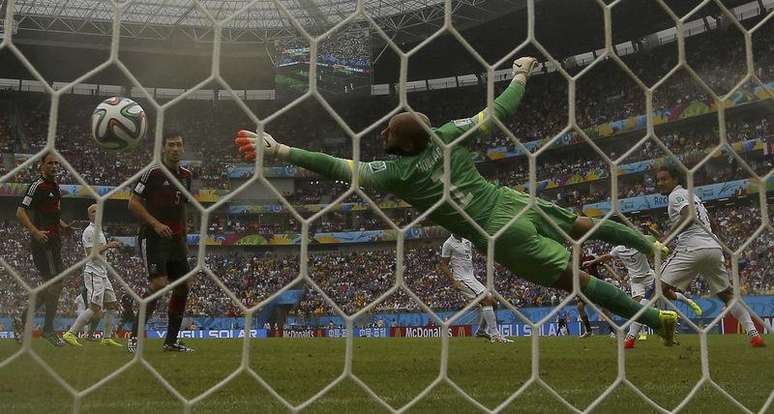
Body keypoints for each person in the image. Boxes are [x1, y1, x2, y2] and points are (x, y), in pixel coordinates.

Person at [235, 57, 678, 345]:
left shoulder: (395, 172)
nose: (383, 134)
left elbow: (335, 166)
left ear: (401, 144)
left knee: (576, 284)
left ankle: (655, 320)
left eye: (388, 131)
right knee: (581, 224)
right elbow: (499, 111)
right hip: (511, 201)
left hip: (500, 234)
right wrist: (520, 74)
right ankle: (648, 244)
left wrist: (281, 151)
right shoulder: (447, 136)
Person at [655, 166, 766, 347]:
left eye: (664, 179)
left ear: (675, 179)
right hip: (712, 248)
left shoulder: (676, 196)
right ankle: (754, 334)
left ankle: (654, 332)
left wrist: (665, 239)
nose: (660, 183)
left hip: (691, 248)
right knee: (726, 294)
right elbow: (713, 224)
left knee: (655, 287)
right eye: (658, 180)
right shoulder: (694, 196)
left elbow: (688, 216)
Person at [127, 130, 194, 353]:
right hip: (153, 236)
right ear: (163, 148)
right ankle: (135, 336)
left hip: (176, 240)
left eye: (179, 144)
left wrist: (184, 237)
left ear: (183, 148)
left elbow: (183, 207)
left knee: (183, 286)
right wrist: (155, 224)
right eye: (171, 145)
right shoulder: (152, 173)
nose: (175, 149)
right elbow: (133, 203)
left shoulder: (186, 175)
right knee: (158, 285)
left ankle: (171, 341)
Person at [14, 152, 71, 347]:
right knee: (55, 284)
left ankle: (24, 318)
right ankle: (48, 330)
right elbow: (20, 212)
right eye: (50, 163)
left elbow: (51, 214)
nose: (55, 166)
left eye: (57, 163)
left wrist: (63, 225)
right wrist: (36, 231)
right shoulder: (37, 186)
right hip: (43, 243)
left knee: (53, 285)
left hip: (55, 243)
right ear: (42, 165)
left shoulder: (55, 187)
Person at [62, 204, 123, 347]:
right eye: (93, 212)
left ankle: (107, 338)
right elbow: (90, 254)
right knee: (95, 307)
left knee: (112, 305)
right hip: (93, 272)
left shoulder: (99, 231)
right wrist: (109, 245)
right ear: (89, 216)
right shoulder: (89, 231)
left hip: (103, 272)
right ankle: (70, 333)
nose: (97, 213)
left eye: (98, 211)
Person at [439, 234, 511, 343]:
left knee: (494, 303)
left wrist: (493, 261)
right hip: (461, 280)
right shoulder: (448, 244)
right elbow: (443, 265)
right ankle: (495, 335)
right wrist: (453, 280)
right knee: (487, 300)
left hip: (472, 278)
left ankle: (482, 331)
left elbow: (477, 250)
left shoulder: (467, 239)